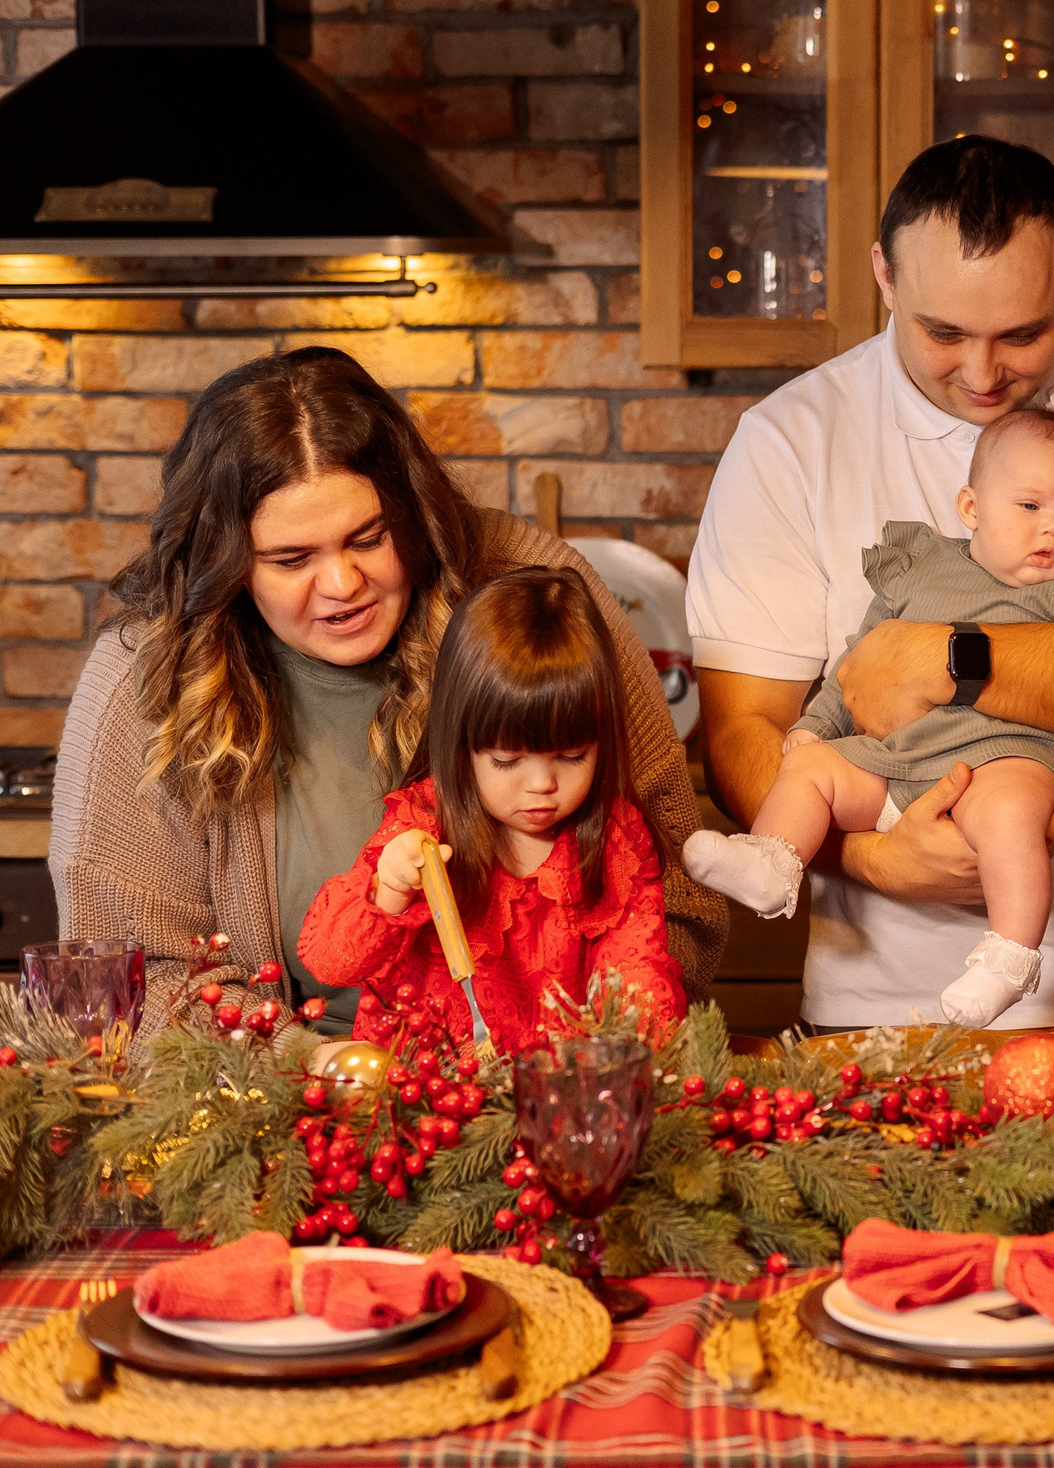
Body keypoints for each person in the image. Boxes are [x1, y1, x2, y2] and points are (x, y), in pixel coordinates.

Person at [688, 135, 1054, 1030]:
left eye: (1024, 334)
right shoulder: (790, 440)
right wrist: (876, 859)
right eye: (943, 331)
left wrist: (947, 660)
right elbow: (744, 726)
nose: (983, 372)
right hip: (887, 995)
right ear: (883, 273)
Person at [52, 349, 725, 1034]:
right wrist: (311, 1066)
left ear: (411, 510)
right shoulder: (147, 671)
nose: (343, 584)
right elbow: (131, 982)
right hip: (274, 1091)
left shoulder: (534, 594)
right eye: (291, 559)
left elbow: (679, 901)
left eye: (368, 538)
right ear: (226, 561)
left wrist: (572, 1052)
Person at [685, 408, 1054, 1025]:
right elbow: (856, 664)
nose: (1053, 533)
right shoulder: (922, 572)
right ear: (971, 507)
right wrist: (816, 729)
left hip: (1010, 761)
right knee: (809, 769)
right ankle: (774, 861)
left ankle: (1008, 957)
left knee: (1015, 815)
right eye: (1030, 507)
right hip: (896, 764)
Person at [297, 568, 689, 1053]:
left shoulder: (615, 840)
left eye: (572, 757)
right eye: (506, 761)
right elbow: (331, 962)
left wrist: (626, 1050)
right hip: (428, 1085)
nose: (543, 785)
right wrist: (390, 889)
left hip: (554, 1088)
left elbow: (637, 971)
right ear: (461, 746)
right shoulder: (423, 825)